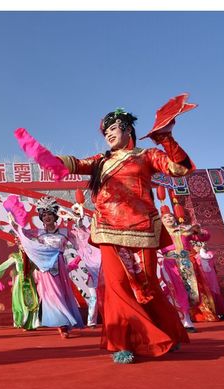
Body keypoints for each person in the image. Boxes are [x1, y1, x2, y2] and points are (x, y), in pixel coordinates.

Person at [57, 108, 191, 361]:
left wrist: (166, 138)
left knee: (147, 285)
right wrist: (50, 159)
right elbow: (75, 163)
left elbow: (180, 169)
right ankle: (122, 344)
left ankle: (165, 332)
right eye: (105, 131)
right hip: (108, 227)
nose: (108, 133)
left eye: (112, 128)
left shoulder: (146, 155)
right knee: (118, 285)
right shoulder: (101, 161)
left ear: (127, 129)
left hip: (143, 227)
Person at [11, 198, 85, 337]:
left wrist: (79, 221)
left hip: (60, 267)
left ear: (55, 216)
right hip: (44, 269)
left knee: (61, 294)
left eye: (50, 214)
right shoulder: (37, 233)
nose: (47, 217)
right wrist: (15, 223)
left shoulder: (64, 231)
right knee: (52, 295)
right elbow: (21, 234)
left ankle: (64, 322)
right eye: (44, 215)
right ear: (41, 218)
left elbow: (80, 241)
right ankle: (62, 324)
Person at [0, 237, 40, 330]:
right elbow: (5, 265)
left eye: (25, 244)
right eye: (21, 244)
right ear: (19, 245)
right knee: (20, 302)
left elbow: (41, 267)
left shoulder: (33, 257)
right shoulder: (16, 257)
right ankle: (22, 322)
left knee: (31, 302)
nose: (23, 246)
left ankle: (31, 324)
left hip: (29, 281)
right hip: (20, 282)